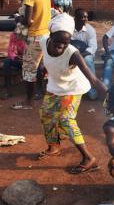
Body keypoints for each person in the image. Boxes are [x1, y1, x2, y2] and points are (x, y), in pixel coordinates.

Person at [38, 13, 107, 174]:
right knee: (46, 114)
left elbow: (93, 79)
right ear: (50, 36)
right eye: (57, 42)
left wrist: (109, 95)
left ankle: (89, 158)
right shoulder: (43, 42)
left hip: (73, 88)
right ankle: (54, 146)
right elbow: (44, 58)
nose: (61, 46)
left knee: (66, 119)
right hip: (55, 86)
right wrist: (42, 68)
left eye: (65, 43)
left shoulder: (73, 53)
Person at [11, 0, 51, 110]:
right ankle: (40, 95)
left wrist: (18, 18)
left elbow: (27, 21)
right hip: (46, 35)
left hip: (34, 37)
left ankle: (29, 102)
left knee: (28, 70)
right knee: (40, 67)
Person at [71, 8, 98, 100]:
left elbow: (93, 47)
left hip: (85, 54)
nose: (85, 19)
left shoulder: (90, 30)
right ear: (76, 18)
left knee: (88, 60)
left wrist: (80, 56)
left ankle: (92, 90)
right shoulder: (69, 28)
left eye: (86, 17)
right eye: (83, 17)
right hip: (71, 54)